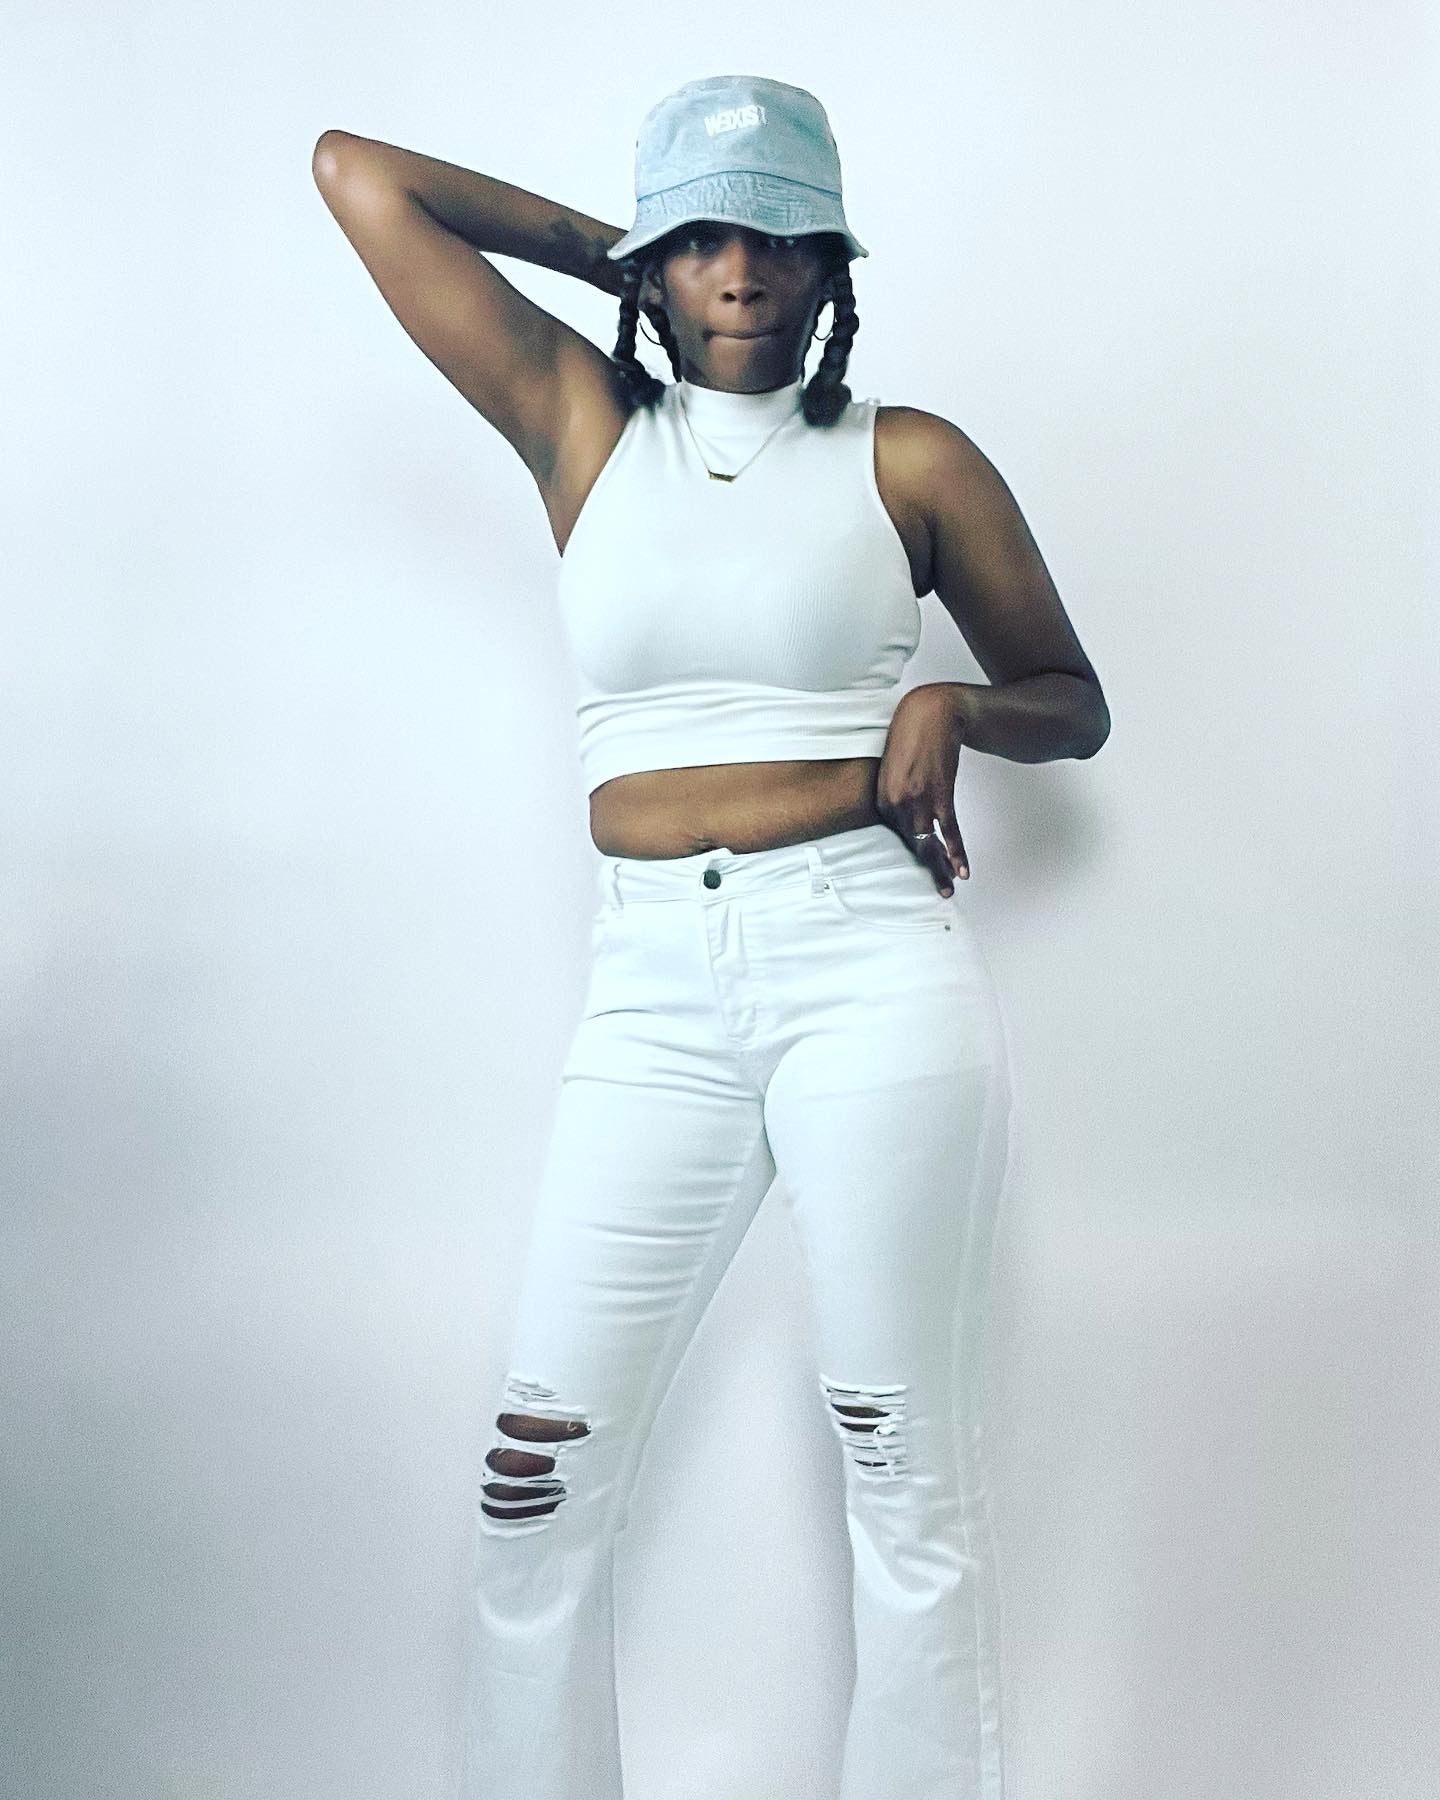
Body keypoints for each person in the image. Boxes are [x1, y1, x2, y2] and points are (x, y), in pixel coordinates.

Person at [313, 72, 1109, 1800]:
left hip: (867, 971)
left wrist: (959, 707)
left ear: (834, 267)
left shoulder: (909, 457)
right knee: (536, 1477)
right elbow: (358, 174)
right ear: (659, 265)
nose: (742, 268)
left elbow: (1075, 699)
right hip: (653, 993)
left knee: (903, 1469)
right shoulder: (581, 427)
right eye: (705, 238)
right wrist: (625, 243)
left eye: (779, 237)